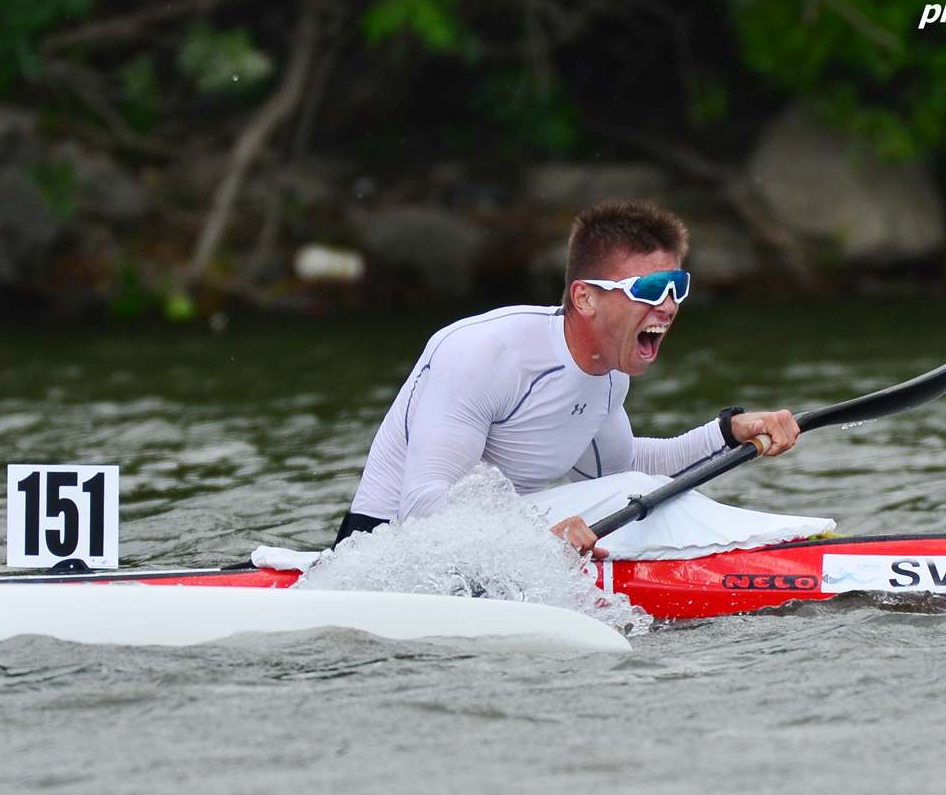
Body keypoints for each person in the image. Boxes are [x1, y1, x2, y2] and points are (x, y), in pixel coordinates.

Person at [337, 200, 800, 556]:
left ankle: (776, 542)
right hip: (383, 549)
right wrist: (537, 537)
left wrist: (729, 432)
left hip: (490, 546)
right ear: (585, 298)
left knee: (634, 496)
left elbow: (620, 472)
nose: (669, 305)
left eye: (678, 286)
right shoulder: (485, 354)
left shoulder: (610, 374)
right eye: (650, 289)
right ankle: (777, 547)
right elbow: (421, 504)